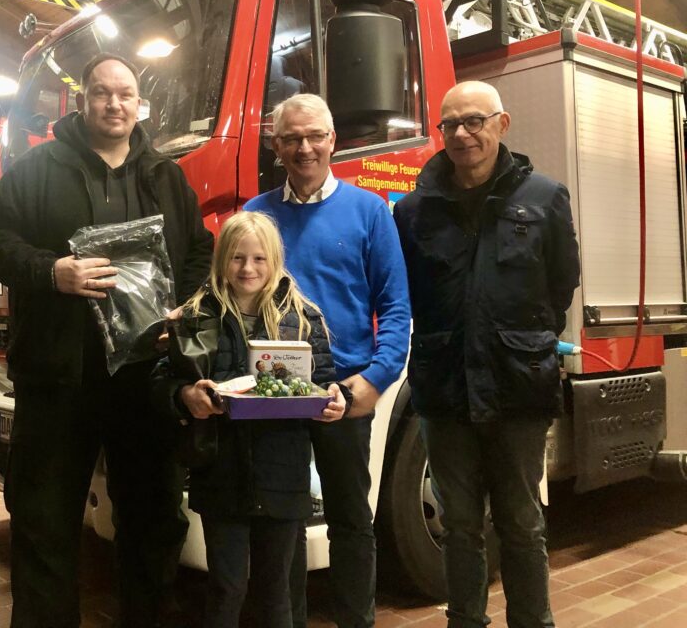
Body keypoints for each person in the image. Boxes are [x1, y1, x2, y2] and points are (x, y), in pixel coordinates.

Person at [0, 53, 214, 627]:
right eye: (101, 93)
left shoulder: (165, 175)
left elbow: (199, 251)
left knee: (154, 519)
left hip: (145, 380)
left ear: (140, 105)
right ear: (82, 101)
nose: (114, 104)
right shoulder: (38, 168)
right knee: (44, 521)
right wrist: (49, 271)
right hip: (59, 377)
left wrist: (183, 306)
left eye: (125, 94)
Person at [393, 81, 580, 628]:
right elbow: (404, 292)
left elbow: (561, 285)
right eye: (449, 124)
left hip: (518, 389)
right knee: (459, 527)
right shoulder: (413, 211)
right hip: (444, 390)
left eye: (474, 121)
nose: (461, 134)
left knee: (522, 523)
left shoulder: (544, 197)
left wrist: (525, 344)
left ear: (502, 123)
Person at [244, 93, 411, 628]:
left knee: (351, 520)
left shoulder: (369, 212)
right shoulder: (254, 215)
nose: (304, 148)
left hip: (344, 388)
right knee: (282, 521)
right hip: (275, 388)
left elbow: (396, 309)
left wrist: (373, 383)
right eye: (291, 138)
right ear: (276, 146)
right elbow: (232, 302)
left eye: (315, 135)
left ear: (333, 139)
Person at [153, 211, 347, 628]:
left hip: (284, 473)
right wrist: (184, 396)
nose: (248, 268)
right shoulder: (195, 316)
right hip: (221, 473)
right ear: (222, 259)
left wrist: (335, 400)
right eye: (238, 258)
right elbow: (161, 382)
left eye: (259, 259)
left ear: (275, 260)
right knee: (227, 587)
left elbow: (326, 382)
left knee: (277, 591)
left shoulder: (303, 316)